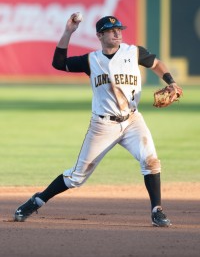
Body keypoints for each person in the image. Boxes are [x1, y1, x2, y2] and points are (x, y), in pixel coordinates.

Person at [13, 14, 182, 227]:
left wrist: (171, 82)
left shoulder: (134, 52)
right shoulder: (91, 60)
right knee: (76, 177)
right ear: (100, 35)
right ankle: (36, 200)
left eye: (119, 29)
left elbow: (157, 64)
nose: (117, 33)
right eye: (112, 30)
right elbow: (59, 63)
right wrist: (68, 32)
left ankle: (157, 211)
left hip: (132, 120)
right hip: (103, 125)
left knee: (151, 161)